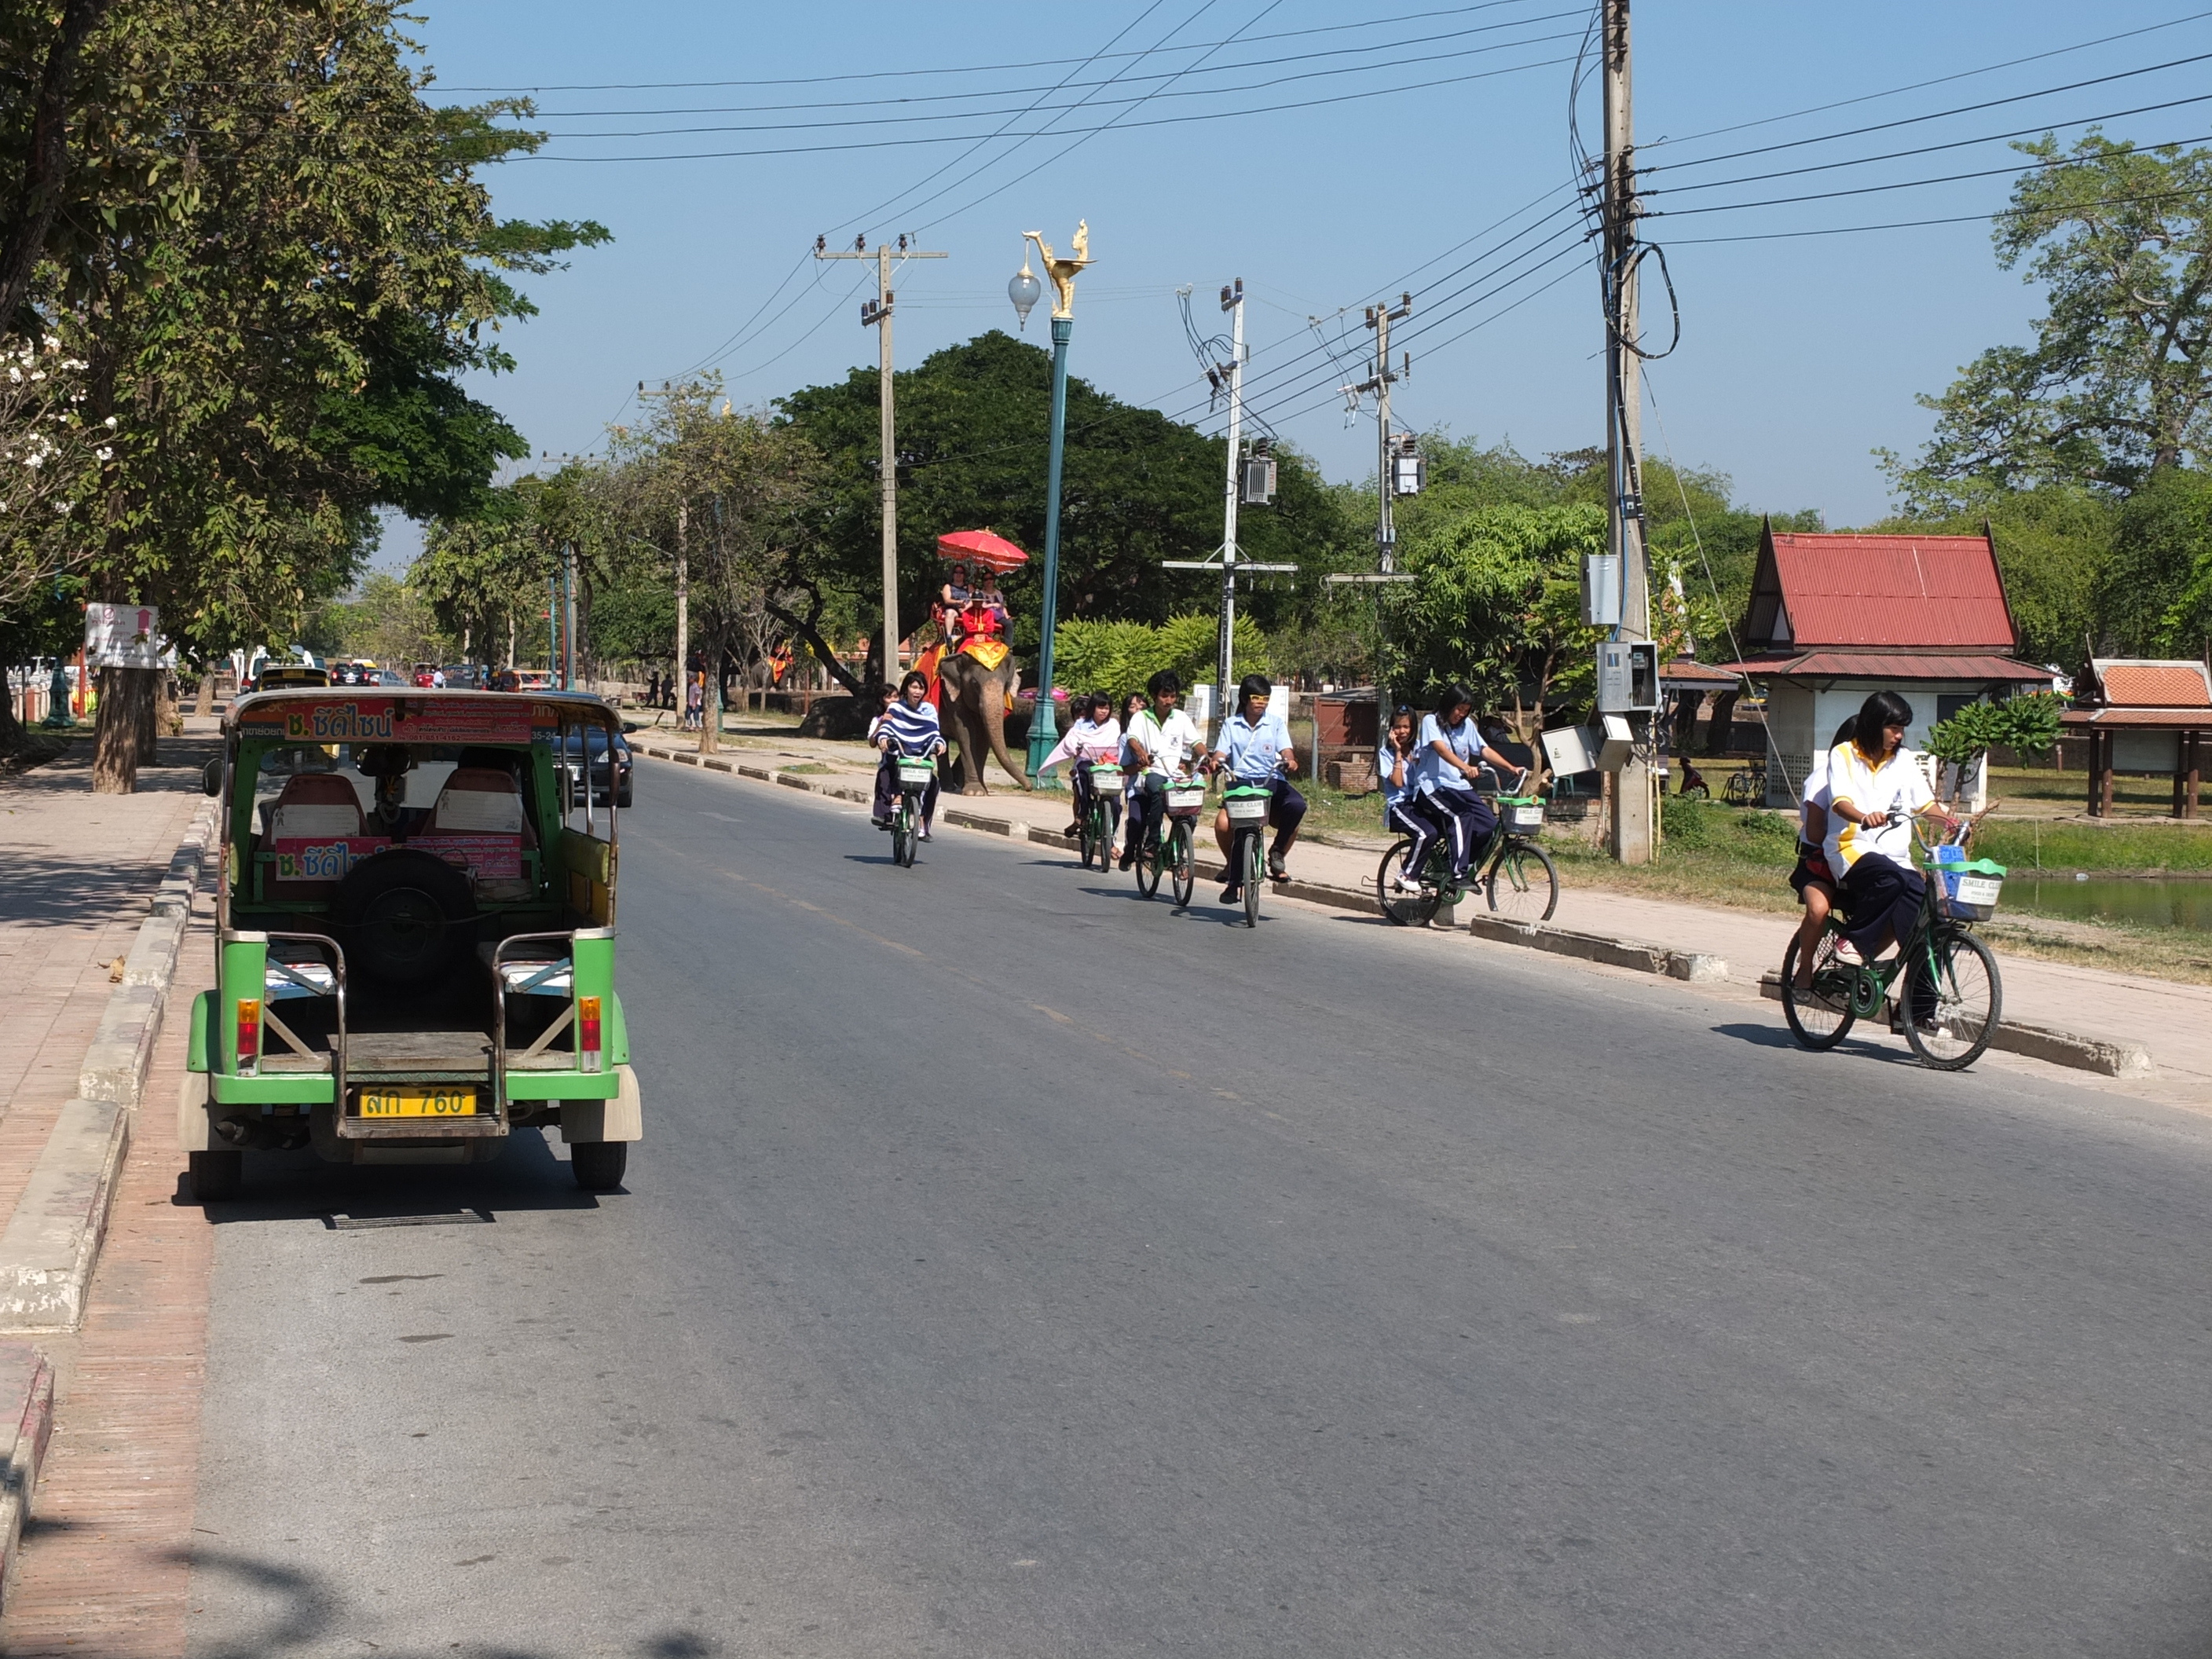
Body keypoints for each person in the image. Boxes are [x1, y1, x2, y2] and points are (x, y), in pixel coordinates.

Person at [1822, 691, 1951, 976]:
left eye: (1902, 729)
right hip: (1852, 847)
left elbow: (1925, 803)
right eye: (1894, 728)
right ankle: (1852, 940)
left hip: (1897, 858)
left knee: (1923, 922)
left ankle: (1920, 1016)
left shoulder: (1903, 759)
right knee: (1890, 879)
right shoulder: (1843, 753)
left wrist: (1949, 821)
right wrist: (1864, 817)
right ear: (1873, 724)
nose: (1899, 736)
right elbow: (1840, 803)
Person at [1207, 672, 1304, 903]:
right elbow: (1221, 752)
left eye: (1265, 698)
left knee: (1297, 805)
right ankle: (1233, 883)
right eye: (1256, 697)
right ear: (1244, 698)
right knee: (1239, 828)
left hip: (1270, 780)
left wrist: (1290, 759)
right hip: (1240, 783)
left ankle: (1277, 852)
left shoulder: (1275, 723)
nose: (1261, 703)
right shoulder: (1232, 724)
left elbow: (1286, 750)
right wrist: (1216, 760)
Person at [1419, 683, 1526, 884]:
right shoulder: (1430, 721)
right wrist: (1465, 767)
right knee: (1462, 816)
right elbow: (1441, 750)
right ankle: (1458, 874)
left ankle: (1461, 863)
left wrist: (1511, 768)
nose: (1461, 714)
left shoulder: (1467, 726)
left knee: (1489, 825)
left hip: (1460, 787)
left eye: (1466, 711)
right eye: (1459, 709)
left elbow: (1484, 750)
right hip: (1433, 786)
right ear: (1448, 704)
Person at [1789, 720, 1859, 987]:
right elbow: (1816, 833)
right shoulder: (1822, 778)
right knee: (1819, 910)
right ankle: (1805, 968)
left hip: (1856, 858)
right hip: (1819, 861)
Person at [1120, 670, 1207, 872]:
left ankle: (1177, 852)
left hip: (1175, 775)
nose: (1169, 701)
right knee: (1158, 792)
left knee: (1191, 813)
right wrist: (1141, 752)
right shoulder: (1141, 718)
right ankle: (1151, 844)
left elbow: (1196, 742)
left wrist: (1206, 757)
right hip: (1152, 772)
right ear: (1154, 696)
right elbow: (1132, 739)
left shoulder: (1181, 718)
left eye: (1173, 696)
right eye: (1164, 696)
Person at [1379, 705, 1445, 891]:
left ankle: (1439, 873)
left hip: (1421, 803)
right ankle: (1406, 874)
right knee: (1426, 833)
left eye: (1406, 727)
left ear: (1413, 728)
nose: (1402, 731)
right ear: (1392, 729)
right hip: (1399, 807)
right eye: (1398, 727)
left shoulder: (1420, 748)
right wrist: (1398, 752)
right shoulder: (1386, 753)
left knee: (1449, 828)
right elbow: (1398, 783)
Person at [872, 672, 947, 836]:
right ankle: (896, 798)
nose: (917, 691)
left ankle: (923, 821)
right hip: (901, 754)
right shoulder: (896, 708)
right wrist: (883, 737)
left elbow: (934, 731)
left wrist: (940, 743)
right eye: (914, 687)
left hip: (921, 756)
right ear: (907, 689)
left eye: (921, 688)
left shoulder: (929, 709)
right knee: (891, 768)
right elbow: (887, 727)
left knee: (933, 784)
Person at [1038, 693, 1122, 839]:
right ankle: (1083, 812)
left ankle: (1110, 834)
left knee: (1115, 801)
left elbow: (1117, 742)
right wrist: (1076, 749)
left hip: (1108, 763)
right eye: (1100, 708)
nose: (1103, 711)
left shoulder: (1113, 725)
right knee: (1083, 772)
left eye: (1106, 708)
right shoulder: (1081, 725)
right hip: (1086, 760)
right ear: (1092, 708)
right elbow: (1072, 740)